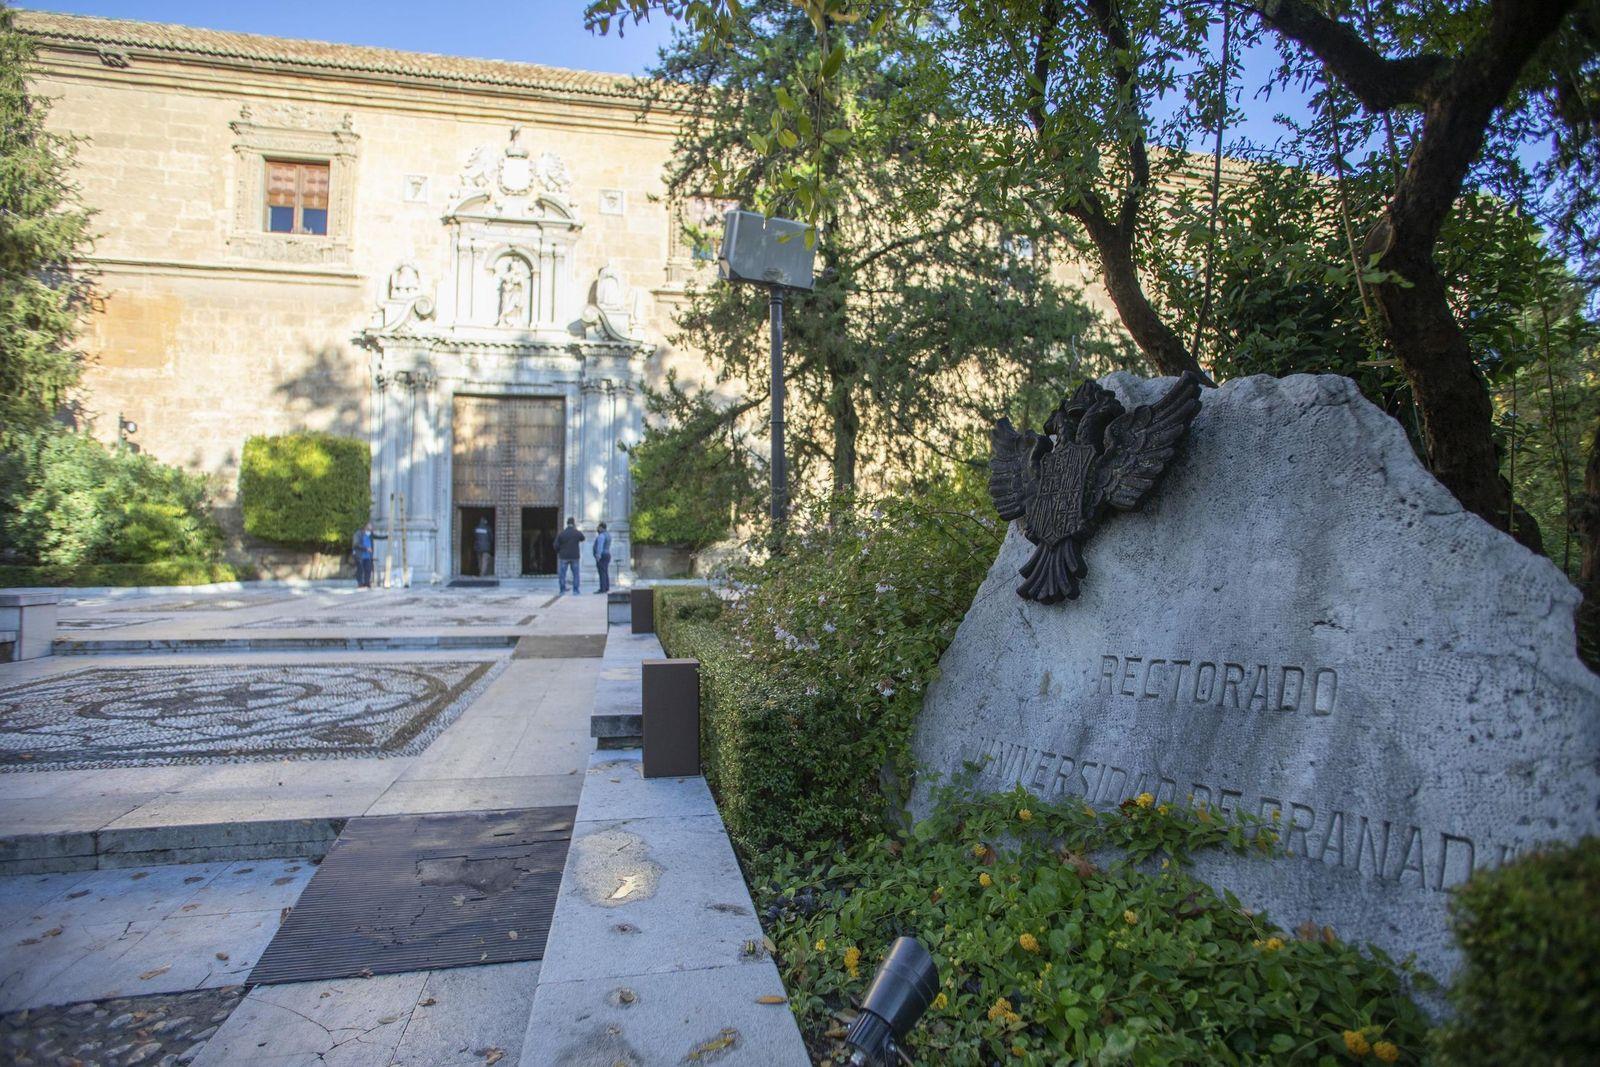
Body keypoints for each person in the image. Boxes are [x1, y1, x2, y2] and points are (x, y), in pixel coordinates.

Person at [554, 516, 584, 594]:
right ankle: (576, 590)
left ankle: (562, 590)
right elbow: (583, 538)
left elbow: (555, 545)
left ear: (567, 524)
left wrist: (559, 551)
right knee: (576, 574)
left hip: (563, 556)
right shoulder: (576, 532)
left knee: (562, 574)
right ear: (573, 524)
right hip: (575, 556)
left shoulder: (562, 533)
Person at [351, 522, 375, 589]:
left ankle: (367, 583)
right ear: (365, 528)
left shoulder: (370, 535)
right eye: (369, 529)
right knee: (360, 570)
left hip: (368, 556)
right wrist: (366, 548)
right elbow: (356, 544)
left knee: (368, 569)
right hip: (360, 556)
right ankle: (360, 584)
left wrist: (387, 536)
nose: (370, 531)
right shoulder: (358, 534)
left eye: (371, 529)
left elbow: (377, 537)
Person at [593, 521, 612, 594]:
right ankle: (606, 587)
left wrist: (598, 555)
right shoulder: (608, 535)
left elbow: (600, 547)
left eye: (598, 527)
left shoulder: (601, 536)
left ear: (601, 528)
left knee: (602, 572)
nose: (597, 529)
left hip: (602, 555)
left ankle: (602, 588)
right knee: (605, 571)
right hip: (607, 554)